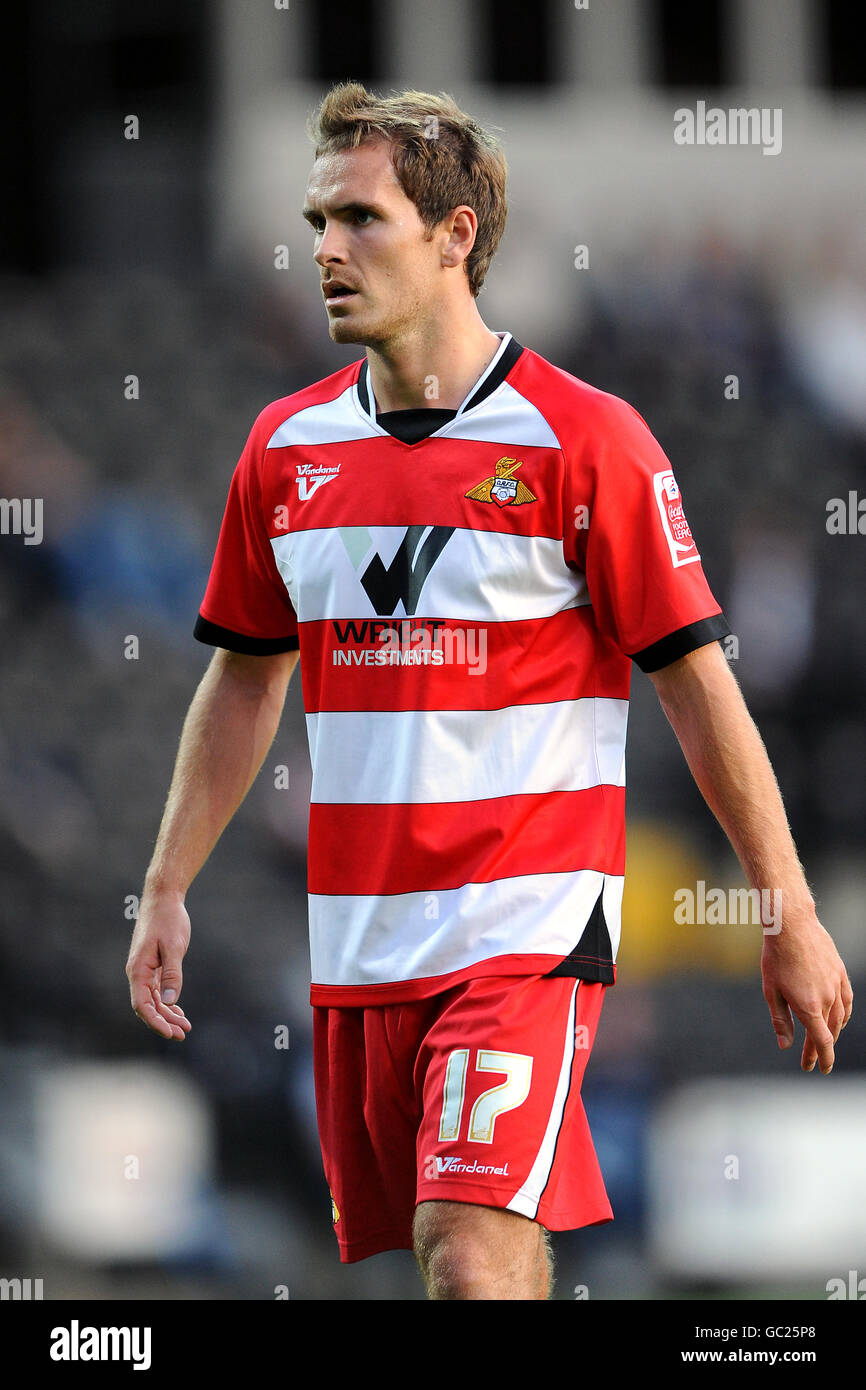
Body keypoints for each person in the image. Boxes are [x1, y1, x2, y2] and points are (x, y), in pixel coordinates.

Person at [126, 82, 853, 1300]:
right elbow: (244, 682)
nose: (324, 251)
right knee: (455, 1259)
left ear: (454, 236)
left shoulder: (586, 440)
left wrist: (784, 904)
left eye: (359, 220)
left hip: (523, 931)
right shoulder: (283, 450)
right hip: (360, 941)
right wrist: (164, 882)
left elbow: (694, 684)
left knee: (466, 1248)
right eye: (316, 222)